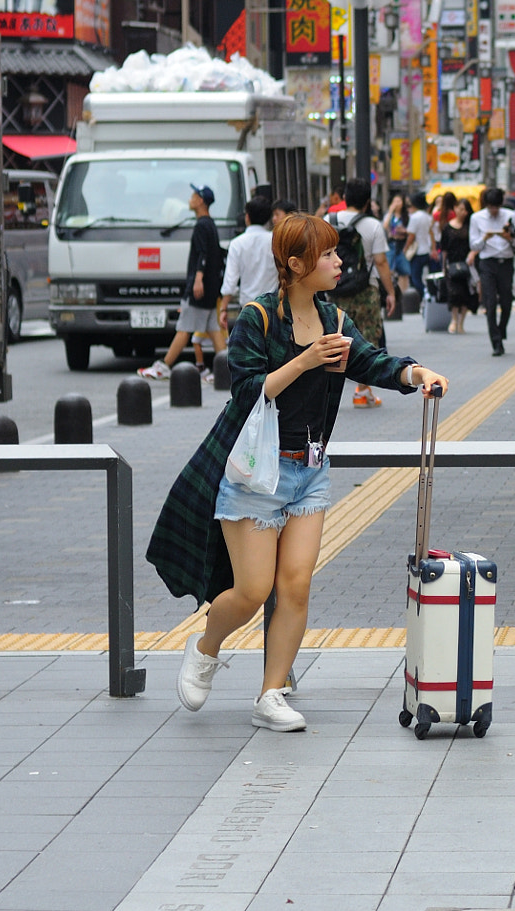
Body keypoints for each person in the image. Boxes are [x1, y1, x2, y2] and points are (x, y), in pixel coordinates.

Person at [149, 213, 448, 731]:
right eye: (329, 254)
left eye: (336, 252)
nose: (339, 262)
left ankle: (271, 693)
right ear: (295, 264)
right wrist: (306, 361)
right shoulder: (258, 318)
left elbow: (371, 361)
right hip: (255, 474)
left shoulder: (334, 318)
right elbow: (246, 392)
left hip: (309, 471)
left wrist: (414, 373)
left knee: (295, 586)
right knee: (252, 590)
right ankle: (205, 647)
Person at [140, 185, 225, 380]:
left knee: (184, 328)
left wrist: (198, 279)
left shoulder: (202, 225)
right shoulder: (210, 224)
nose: (190, 199)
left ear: (201, 201)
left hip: (200, 289)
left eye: (194, 195)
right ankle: (226, 368)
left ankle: (164, 366)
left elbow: (203, 254)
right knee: (213, 330)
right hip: (211, 288)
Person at [330, 180, 396, 408]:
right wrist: (390, 292)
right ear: (368, 201)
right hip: (366, 290)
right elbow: (381, 262)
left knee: (335, 338)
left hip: (336, 288)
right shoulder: (373, 225)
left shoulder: (329, 221)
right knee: (367, 338)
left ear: (345, 197)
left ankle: (329, 390)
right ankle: (362, 390)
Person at [469, 187, 515, 357]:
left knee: (507, 301)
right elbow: (473, 245)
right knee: (490, 302)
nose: (493, 211)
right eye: (490, 207)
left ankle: (501, 330)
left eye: (496, 207)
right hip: (487, 263)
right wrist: (484, 238)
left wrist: (510, 238)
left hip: (506, 262)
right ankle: (496, 342)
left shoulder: (510, 215)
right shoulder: (476, 218)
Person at [220, 197, 279, 332]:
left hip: (248, 308)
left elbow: (230, 281)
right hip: (273, 307)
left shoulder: (237, 244)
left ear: (247, 217)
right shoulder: (275, 241)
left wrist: (224, 308)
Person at [436, 193, 476, 333]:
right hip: (452, 264)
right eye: (460, 209)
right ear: (455, 208)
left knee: (465, 293)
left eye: (465, 210)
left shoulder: (471, 226)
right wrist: (443, 265)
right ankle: (453, 320)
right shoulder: (447, 228)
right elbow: (444, 248)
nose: (462, 212)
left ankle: (461, 323)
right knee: (453, 293)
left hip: (467, 265)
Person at [405, 191, 435, 300]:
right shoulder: (428, 217)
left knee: (415, 277)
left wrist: (406, 248)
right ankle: (428, 293)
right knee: (423, 275)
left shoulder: (414, 217)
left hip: (416, 251)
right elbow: (431, 234)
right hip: (426, 250)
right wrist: (434, 249)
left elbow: (411, 236)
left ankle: (424, 294)